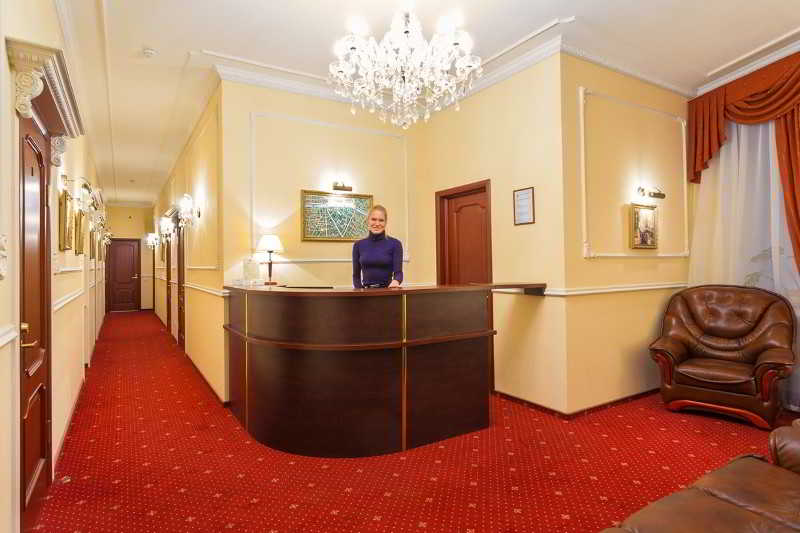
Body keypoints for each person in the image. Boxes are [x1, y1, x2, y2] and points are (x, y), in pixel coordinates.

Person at [352, 205, 403, 288]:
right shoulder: (358, 245)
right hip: (366, 292)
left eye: (381, 220)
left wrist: (396, 281)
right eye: (373, 219)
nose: (377, 223)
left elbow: (398, 273)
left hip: (388, 291)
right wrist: (360, 292)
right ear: (368, 221)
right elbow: (356, 276)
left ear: (385, 222)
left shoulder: (396, 244)